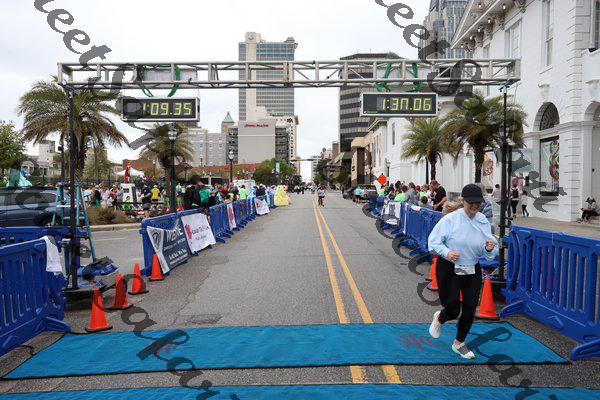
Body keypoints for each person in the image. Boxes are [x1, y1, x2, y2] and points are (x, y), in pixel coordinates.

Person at [428, 183, 498, 360]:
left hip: (472, 267)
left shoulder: (482, 220)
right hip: (449, 267)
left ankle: (459, 343)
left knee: (469, 308)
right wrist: (447, 252)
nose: (475, 206)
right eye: (471, 202)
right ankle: (440, 318)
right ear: (463, 201)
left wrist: (489, 248)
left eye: (478, 203)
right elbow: (433, 241)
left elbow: (490, 249)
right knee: (452, 309)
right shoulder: (450, 219)